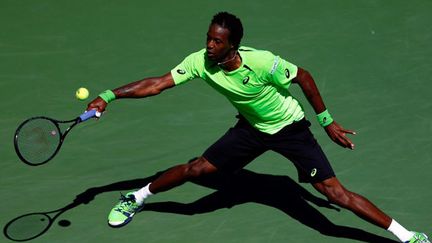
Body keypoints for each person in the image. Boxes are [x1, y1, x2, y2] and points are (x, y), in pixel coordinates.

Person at [87, 12, 429, 243]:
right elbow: (158, 84)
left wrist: (326, 122)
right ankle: (137, 197)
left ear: (232, 44)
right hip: (250, 130)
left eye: (216, 41)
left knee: (335, 195)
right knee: (196, 170)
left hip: (292, 130)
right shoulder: (199, 62)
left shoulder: (262, 62)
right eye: (208, 38)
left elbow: (304, 76)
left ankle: (407, 236)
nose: (209, 46)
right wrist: (108, 96)